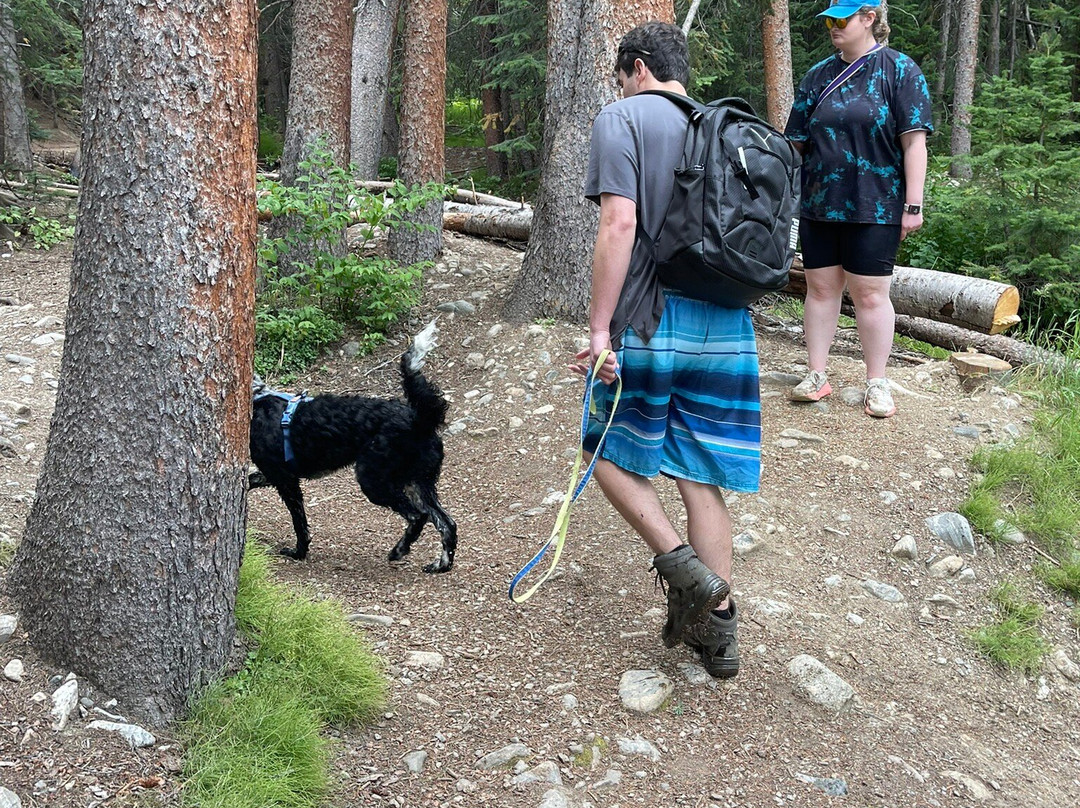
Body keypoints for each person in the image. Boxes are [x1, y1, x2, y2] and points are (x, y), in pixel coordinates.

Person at [570, 21, 762, 679]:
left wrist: (599, 330)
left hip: (653, 319)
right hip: (728, 327)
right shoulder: (721, 127)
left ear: (638, 67)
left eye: (622, 75)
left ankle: (684, 571)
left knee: (602, 453)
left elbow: (619, 223)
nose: (620, 85)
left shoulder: (622, 118)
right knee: (699, 476)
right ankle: (721, 634)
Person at [784, 0, 932, 417]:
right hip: (818, 204)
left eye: (841, 19)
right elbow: (793, 143)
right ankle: (816, 374)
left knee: (870, 295)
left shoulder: (900, 71)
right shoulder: (817, 75)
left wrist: (913, 204)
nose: (832, 27)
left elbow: (914, 142)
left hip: (877, 204)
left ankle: (877, 381)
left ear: (869, 18)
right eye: (829, 20)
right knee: (820, 290)